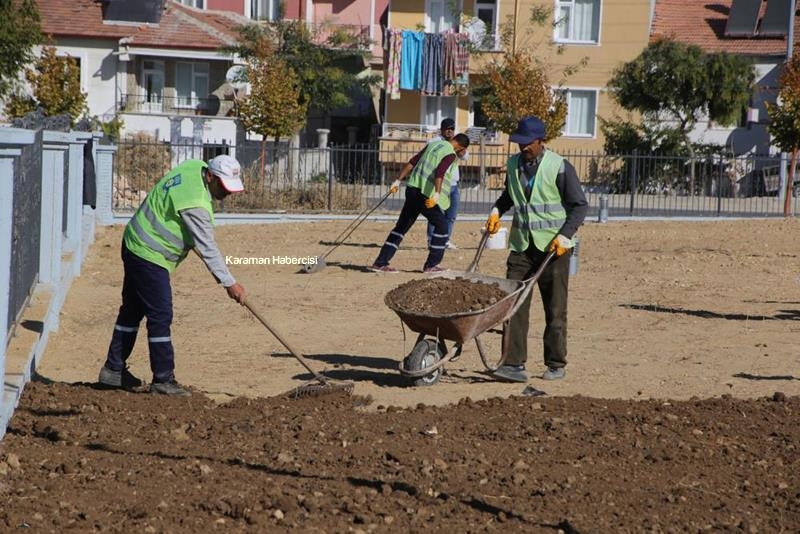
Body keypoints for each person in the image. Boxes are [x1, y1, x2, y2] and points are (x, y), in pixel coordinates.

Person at [98, 155, 247, 396]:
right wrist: (230, 283)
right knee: (160, 314)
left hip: (134, 240)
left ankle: (113, 371)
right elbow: (208, 248)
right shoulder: (196, 203)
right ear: (210, 176)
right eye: (223, 186)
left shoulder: (193, 166)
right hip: (149, 253)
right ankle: (163, 380)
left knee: (132, 310)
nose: (227, 193)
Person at [485, 116, 588, 382]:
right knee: (513, 304)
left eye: (527, 143)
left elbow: (579, 206)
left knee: (555, 308)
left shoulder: (559, 167)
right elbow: (509, 195)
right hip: (522, 246)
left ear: (541, 141)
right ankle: (512, 364)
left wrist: (565, 236)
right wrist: (497, 211)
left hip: (554, 248)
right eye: (518, 142)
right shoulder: (513, 164)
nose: (522, 147)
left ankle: (555, 362)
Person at [369, 133, 471, 273]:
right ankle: (431, 265)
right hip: (424, 195)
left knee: (401, 228)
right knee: (442, 226)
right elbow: (439, 173)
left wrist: (398, 180)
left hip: (411, 189)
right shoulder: (450, 154)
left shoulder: (433, 144)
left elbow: (413, 161)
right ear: (461, 148)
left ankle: (380, 263)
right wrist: (437, 194)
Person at [426, 118, 466, 250]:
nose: (450, 131)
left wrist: (461, 150)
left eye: (452, 129)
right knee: (436, 214)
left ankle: (445, 240)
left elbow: (465, 156)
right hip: (440, 184)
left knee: (451, 215)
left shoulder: (457, 143)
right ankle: (432, 240)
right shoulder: (434, 142)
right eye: (447, 128)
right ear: (442, 129)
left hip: (453, 184)